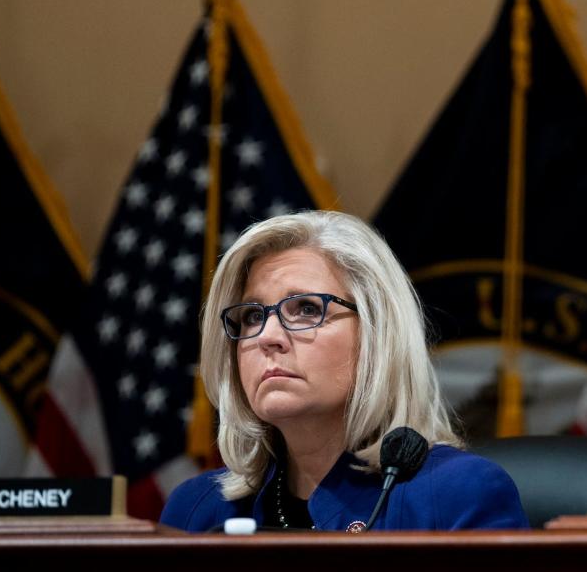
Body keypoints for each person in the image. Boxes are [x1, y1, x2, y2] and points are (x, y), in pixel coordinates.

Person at [160, 210, 528, 532]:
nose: (267, 337)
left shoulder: (457, 497)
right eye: (253, 316)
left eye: (305, 309)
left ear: (377, 333)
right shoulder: (196, 511)